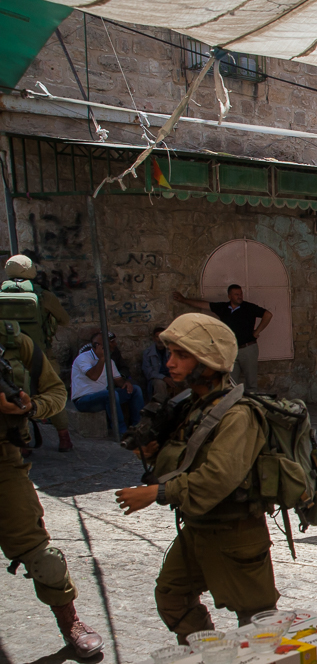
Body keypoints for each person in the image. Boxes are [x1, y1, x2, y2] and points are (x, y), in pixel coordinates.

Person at [114, 314, 278, 643]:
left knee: (257, 623)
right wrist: (152, 454)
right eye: (169, 354)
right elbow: (186, 459)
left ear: (209, 360)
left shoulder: (238, 414)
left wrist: (156, 493)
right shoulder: (193, 406)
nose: (170, 363)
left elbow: (218, 478)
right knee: (172, 596)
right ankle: (209, 652)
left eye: (182, 355)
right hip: (199, 529)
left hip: (236, 534)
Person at [0, 320, 104, 657]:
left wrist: (29, 407)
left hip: (3, 462)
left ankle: (70, 622)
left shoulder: (14, 342)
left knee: (41, 554)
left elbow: (56, 393)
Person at [3, 255, 75, 453]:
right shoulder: (43, 296)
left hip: (8, 357)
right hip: (40, 354)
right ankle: (64, 438)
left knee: (14, 396)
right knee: (52, 390)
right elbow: (64, 320)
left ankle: (23, 443)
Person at [173, 286, 273, 390]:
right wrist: (184, 300)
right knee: (231, 382)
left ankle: (252, 404)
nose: (240, 297)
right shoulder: (223, 308)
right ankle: (235, 405)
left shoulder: (249, 307)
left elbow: (268, 314)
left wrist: (257, 331)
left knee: (251, 382)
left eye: (241, 294)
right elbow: (204, 305)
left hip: (247, 348)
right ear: (230, 296)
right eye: (236, 294)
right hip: (230, 350)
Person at [71, 332, 145, 435]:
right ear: (98, 345)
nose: (113, 345)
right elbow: (94, 376)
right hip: (84, 400)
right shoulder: (83, 358)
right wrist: (102, 358)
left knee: (136, 390)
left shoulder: (110, 361)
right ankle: (121, 431)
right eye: (109, 343)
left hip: (104, 397)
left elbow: (118, 380)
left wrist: (126, 383)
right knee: (110, 394)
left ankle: (138, 426)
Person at [143, 325, 182, 401]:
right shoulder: (147, 353)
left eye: (162, 337)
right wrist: (164, 378)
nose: (160, 340)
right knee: (159, 383)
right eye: (157, 337)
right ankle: (161, 407)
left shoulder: (172, 350)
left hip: (172, 375)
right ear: (154, 338)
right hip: (157, 378)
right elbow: (148, 372)